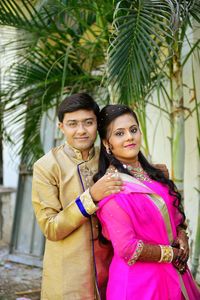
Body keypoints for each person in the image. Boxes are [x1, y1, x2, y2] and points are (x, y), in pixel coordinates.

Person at [94, 104, 200, 300]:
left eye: (133, 130)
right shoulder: (112, 187)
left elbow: (176, 220)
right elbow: (127, 248)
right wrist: (173, 254)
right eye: (119, 133)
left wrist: (183, 238)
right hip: (138, 285)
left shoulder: (157, 175)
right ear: (107, 143)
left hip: (175, 276)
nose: (129, 137)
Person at [32, 93, 124, 300]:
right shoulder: (46, 167)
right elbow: (50, 227)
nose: (81, 131)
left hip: (112, 270)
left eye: (88, 123)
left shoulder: (112, 158)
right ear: (61, 127)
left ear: (97, 125)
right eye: (72, 124)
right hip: (68, 278)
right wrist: (91, 197)